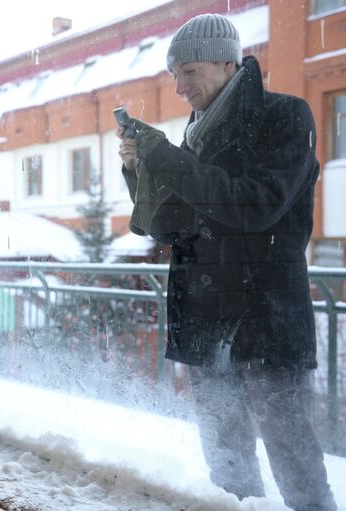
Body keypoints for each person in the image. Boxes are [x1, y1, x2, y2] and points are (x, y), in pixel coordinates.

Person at [116, 13, 337, 511]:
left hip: (265, 315)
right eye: (174, 74)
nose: (179, 87)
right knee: (225, 454)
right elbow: (169, 227)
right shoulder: (196, 133)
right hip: (205, 315)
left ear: (226, 61)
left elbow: (254, 205)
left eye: (189, 71)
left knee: (291, 450)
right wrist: (139, 170)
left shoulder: (286, 115)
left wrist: (170, 161)